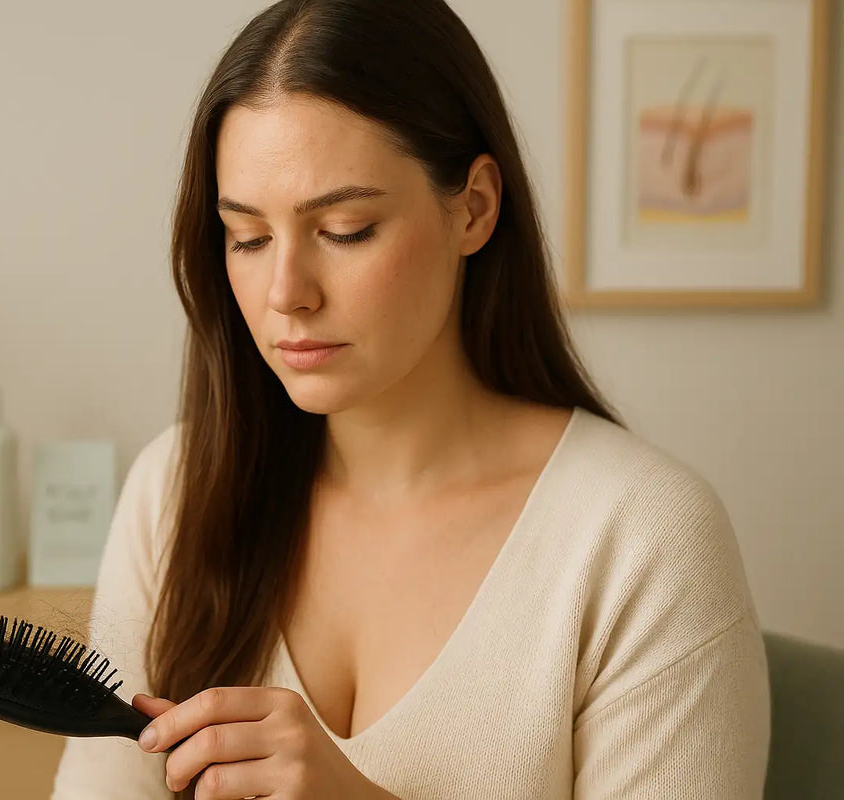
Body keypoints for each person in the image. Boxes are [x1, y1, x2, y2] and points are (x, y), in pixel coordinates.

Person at [50, 0, 770, 797]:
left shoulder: (643, 539)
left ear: (474, 208)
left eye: (346, 229)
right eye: (247, 238)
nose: (286, 293)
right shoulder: (178, 489)